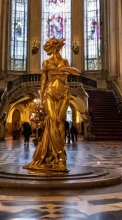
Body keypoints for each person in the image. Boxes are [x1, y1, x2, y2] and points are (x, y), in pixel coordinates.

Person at [24, 37, 79, 171]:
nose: (46, 49)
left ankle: (60, 156)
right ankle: (59, 156)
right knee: (53, 120)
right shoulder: (46, 62)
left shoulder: (64, 61)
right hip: (49, 93)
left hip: (64, 93)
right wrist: (41, 96)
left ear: (56, 47)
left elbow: (76, 72)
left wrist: (64, 69)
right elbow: (43, 81)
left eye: (48, 47)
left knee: (60, 120)